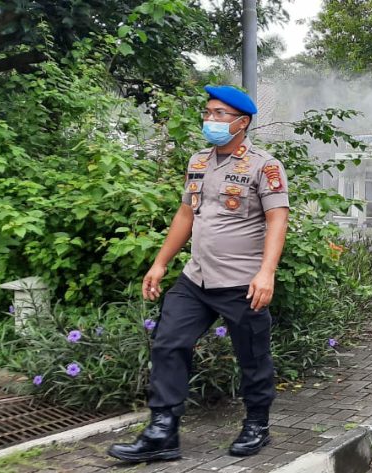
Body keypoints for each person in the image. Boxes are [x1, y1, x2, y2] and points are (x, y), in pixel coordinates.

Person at [108, 85, 290, 463]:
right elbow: (185, 215)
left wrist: (267, 273)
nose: (210, 119)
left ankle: (257, 424)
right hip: (196, 278)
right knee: (168, 344)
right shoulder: (198, 161)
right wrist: (159, 262)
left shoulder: (264, 165)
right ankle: (163, 431)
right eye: (208, 112)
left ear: (242, 122)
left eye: (220, 114)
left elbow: (277, 220)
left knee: (252, 357)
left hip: (242, 282)